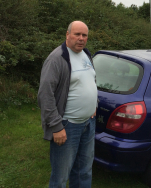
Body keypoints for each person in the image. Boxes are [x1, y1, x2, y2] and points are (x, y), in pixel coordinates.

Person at [38, 21, 98, 187]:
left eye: (84, 35)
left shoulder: (86, 53)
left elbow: (90, 80)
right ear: (67, 34)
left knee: (84, 171)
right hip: (67, 126)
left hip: (88, 123)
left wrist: (93, 105)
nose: (81, 38)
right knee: (61, 177)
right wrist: (56, 127)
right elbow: (45, 95)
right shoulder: (56, 59)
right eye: (77, 34)